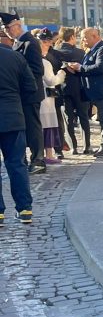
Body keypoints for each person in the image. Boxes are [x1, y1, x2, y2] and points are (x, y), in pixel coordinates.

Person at [65, 27, 103, 157]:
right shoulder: (92, 50)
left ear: (95, 36)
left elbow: (100, 68)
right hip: (100, 92)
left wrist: (80, 68)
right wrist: (76, 69)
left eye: (85, 37)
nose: (83, 40)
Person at [1, 12, 46, 174]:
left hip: (30, 93)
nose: (6, 31)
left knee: (33, 127)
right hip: (22, 94)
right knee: (26, 127)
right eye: (4, 28)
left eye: (8, 27)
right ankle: (30, 158)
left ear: (17, 25)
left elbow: (37, 70)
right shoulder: (18, 43)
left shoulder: (30, 42)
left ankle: (38, 159)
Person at [0, 22, 36, 224]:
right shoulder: (15, 57)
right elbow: (31, 87)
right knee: (17, 164)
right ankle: (24, 209)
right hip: (13, 115)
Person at [52, 27, 92, 154]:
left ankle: (73, 147)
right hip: (80, 89)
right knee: (83, 118)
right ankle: (87, 146)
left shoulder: (55, 52)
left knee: (68, 119)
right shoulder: (80, 53)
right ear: (73, 37)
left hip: (63, 89)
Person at [37, 30, 67, 165]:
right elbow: (51, 80)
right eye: (47, 45)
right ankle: (48, 154)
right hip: (46, 99)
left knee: (40, 127)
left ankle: (40, 155)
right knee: (48, 127)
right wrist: (61, 74)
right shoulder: (44, 63)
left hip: (36, 99)